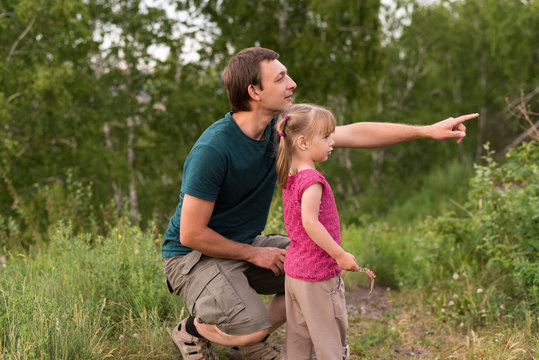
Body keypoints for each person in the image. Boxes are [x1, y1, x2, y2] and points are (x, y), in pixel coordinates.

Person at [161, 46, 478, 360]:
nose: (292, 84)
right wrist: (255, 253)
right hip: (192, 258)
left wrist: (426, 131)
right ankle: (194, 331)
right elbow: (191, 234)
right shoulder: (213, 150)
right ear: (254, 91)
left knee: (316, 267)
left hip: (241, 243)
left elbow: (352, 133)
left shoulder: (280, 131)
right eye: (281, 78)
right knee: (252, 327)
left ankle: (247, 337)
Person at [275, 104, 375, 360]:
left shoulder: (290, 174)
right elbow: (310, 223)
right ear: (303, 143)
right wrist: (340, 255)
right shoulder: (311, 181)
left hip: (295, 274)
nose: (333, 141)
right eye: (326, 136)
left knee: (298, 341)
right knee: (330, 341)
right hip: (317, 277)